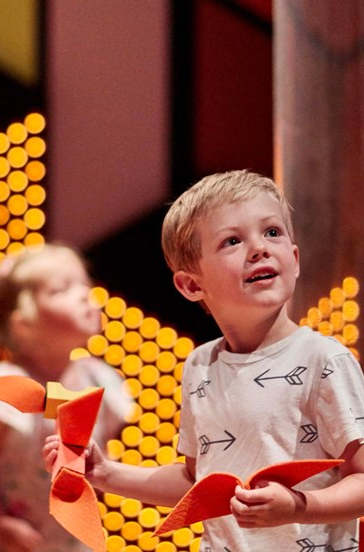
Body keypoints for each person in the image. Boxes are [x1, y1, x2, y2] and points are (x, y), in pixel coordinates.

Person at [44, 170, 364, 551]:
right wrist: (106, 473)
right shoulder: (200, 366)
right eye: (232, 240)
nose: (260, 248)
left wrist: (298, 506)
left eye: (273, 232)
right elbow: (198, 481)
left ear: (294, 260)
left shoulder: (324, 359)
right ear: (192, 285)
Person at [0, 243, 132, 552]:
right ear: (24, 323)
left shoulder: (99, 380)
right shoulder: (3, 389)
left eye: (85, 285)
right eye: (62, 289)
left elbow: (102, 452)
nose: (84, 295)